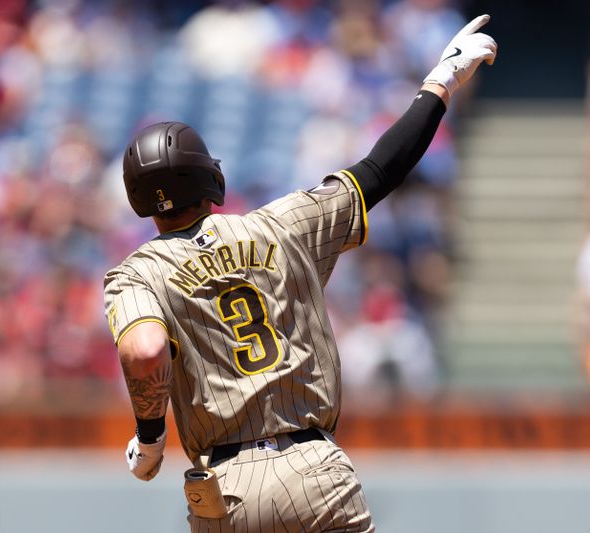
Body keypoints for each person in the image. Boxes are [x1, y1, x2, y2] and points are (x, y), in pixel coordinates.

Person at [104, 14, 496, 532]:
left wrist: (151, 437)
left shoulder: (136, 274)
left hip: (226, 486)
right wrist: (439, 83)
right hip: (315, 468)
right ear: (208, 176)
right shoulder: (282, 225)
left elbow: (144, 350)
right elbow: (380, 170)